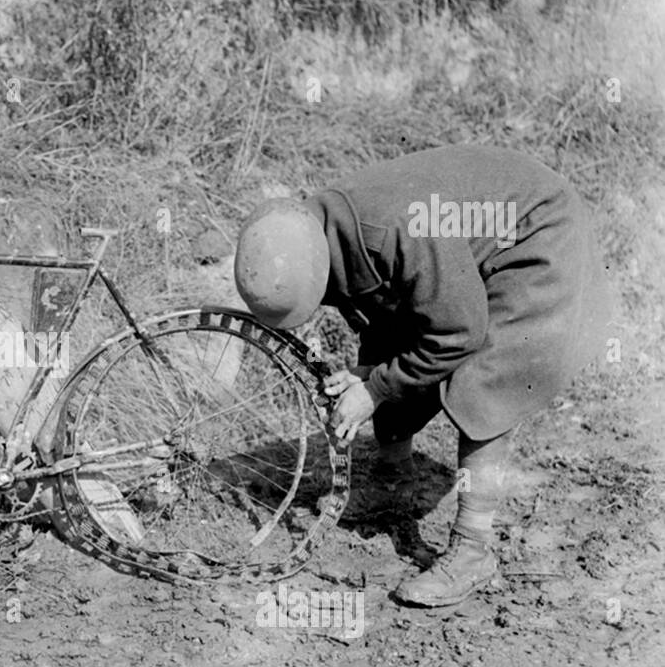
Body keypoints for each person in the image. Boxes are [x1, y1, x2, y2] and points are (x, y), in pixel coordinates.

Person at [233, 144, 614, 606]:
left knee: (484, 382)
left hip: (534, 233)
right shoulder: (316, 228)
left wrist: (375, 388)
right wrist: (373, 372)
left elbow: (457, 332)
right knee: (386, 341)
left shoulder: (396, 234)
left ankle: (473, 549)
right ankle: (394, 485)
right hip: (459, 238)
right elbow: (390, 314)